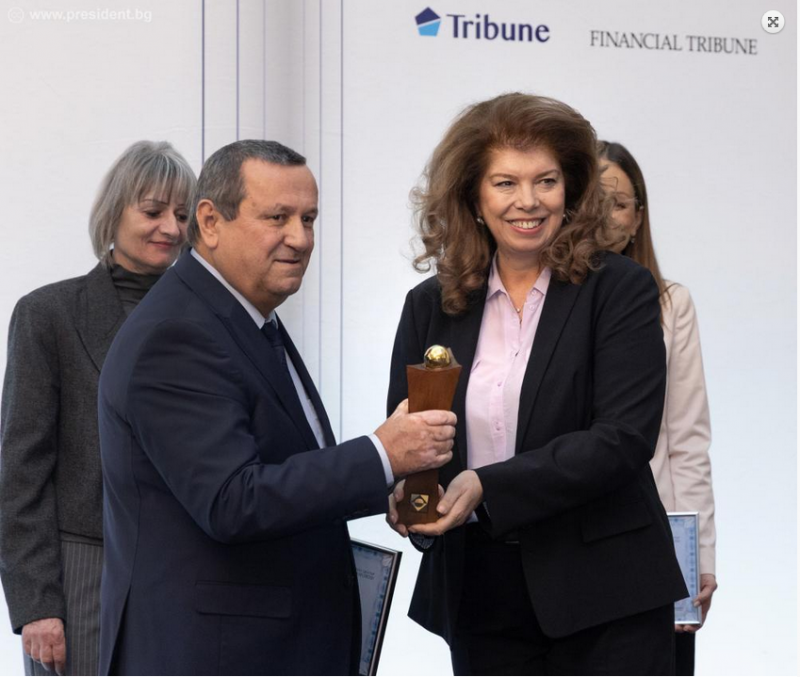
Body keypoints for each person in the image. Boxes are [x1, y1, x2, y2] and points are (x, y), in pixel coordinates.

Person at [97, 139, 456, 676]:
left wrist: (385, 479)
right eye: (277, 217)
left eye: (309, 219)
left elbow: (278, 467)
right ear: (210, 222)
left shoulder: (242, 314)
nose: (300, 238)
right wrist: (382, 455)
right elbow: (232, 500)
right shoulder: (177, 333)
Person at [386, 93, 688, 675]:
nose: (528, 201)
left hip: (607, 593)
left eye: (545, 181)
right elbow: (411, 435)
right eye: (505, 182)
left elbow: (622, 439)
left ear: (570, 191)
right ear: (473, 196)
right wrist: (409, 495)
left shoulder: (620, 289)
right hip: (480, 593)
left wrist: (487, 486)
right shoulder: (431, 304)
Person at [0, 141, 196, 676]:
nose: (170, 228)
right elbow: (21, 472)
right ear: (115, 212)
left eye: (182, 215)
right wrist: (37, 605)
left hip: (186, 570)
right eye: (153, 211)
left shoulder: (205, 320)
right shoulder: (48, 315)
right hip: (82, 570)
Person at [598, 140, 717, 676]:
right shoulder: (544, 304)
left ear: (638, 217)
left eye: (619, 203)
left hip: (652, 541)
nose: (605, 216)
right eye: (592, 200)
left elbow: (687, 441)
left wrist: (697, 560)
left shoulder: (670, 303)